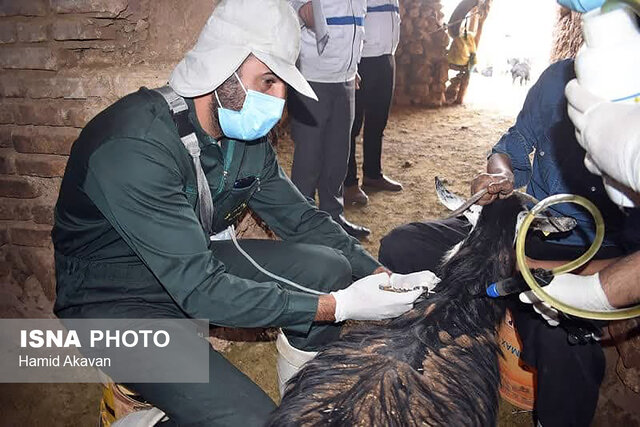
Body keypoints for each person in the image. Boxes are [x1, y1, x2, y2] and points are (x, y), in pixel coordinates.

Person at [52, 1, 428, 425]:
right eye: (268, 81)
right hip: (114, 302)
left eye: (283, 84)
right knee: (250, 420)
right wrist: (337, 307)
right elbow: (202, 291)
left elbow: (301, 218)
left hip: (188, 263)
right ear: (221, 67)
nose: (278, 101)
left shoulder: (241, 137)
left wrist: (382, 278)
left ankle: (300, 397)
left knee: (331, 265)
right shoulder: (134, 148)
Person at [379, 60, 640, 427]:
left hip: (589, 254)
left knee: (565, 346)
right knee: (402, 245)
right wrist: (498, 175)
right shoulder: (561, 77)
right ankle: (441, 345)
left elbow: (633, 259)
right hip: (522, 226)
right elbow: (513, 145)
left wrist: (540, 273)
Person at [287, 0, 372, 238]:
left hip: (345, 78)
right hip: (312, 77)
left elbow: (355, 29)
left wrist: (352, 67)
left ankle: (333, 218)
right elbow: (299, 11)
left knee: (338, 155)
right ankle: (302, 223)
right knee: (309, 156)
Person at [344, 0, 403, 206]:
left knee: (378, 121)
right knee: (352, 125)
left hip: (387, 56)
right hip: (362, 59)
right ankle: (348, 183)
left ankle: (372, 174)